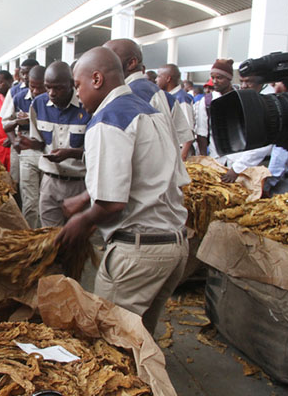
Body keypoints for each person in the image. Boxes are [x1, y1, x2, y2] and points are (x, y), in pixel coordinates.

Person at [57, 46, 189, 335]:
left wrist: (84, 220)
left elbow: (112, 203)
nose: (77, 95)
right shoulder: (150, 111)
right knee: (141, 339)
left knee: (111, 342)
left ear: (96, 79)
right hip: (173, 246)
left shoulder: (108, 120)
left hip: (139, 253)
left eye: (78, 85)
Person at [19, 61, 91, 227]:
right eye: (48, 87)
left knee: (78, 239)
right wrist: (28, 143)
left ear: (71, 84)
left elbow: (96, 152)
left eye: (58, 88)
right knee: (49, 238)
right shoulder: (38, 104)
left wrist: (70, 153)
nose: (52, 93)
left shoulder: (86, 105)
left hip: (79, 183)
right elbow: (39, 142)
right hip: (50, 182)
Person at [103, 39, 194, 161]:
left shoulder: (125, 96)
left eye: (109, 59)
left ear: (131, 63)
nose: (100, 64)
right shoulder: (165, 95)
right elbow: (182, 135)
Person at [5, 65, 46, 228]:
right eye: (32, 86)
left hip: (48, 150)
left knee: (46, 198)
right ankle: (29, 235)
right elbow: (6, 123)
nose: (35, 91)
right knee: (30, 199)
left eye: (40, 87)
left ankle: (45, 233)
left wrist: (31, 118)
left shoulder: (53, 99)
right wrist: (15, 139)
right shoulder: (19, 97)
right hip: (27, 149)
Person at [220, 74, 272, 183]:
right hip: (235, 165)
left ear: (261, 82)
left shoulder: (268, 102)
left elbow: (262, 145)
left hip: (253, 168)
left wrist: (237, 168)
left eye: (248, 82)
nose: (243, 86)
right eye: (241, 81)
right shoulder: (245, 98)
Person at [1, 59, 39, 186]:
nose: (26, 76)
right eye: (23, 73)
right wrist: (13, 141)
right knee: (17, 178)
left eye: (29, 73)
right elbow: (5, 121)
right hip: (21, 138)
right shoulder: (15, 92)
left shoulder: (47, 92)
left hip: (40, 140)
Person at [195, 59, 235, 160]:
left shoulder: (239, 98)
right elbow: (202, 132)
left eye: (219, 78)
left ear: (229, 78)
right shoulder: (207, 101)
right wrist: (204, 160)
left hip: (238, 160)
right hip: (216, 158)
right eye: (212, 77)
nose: (214, 81)